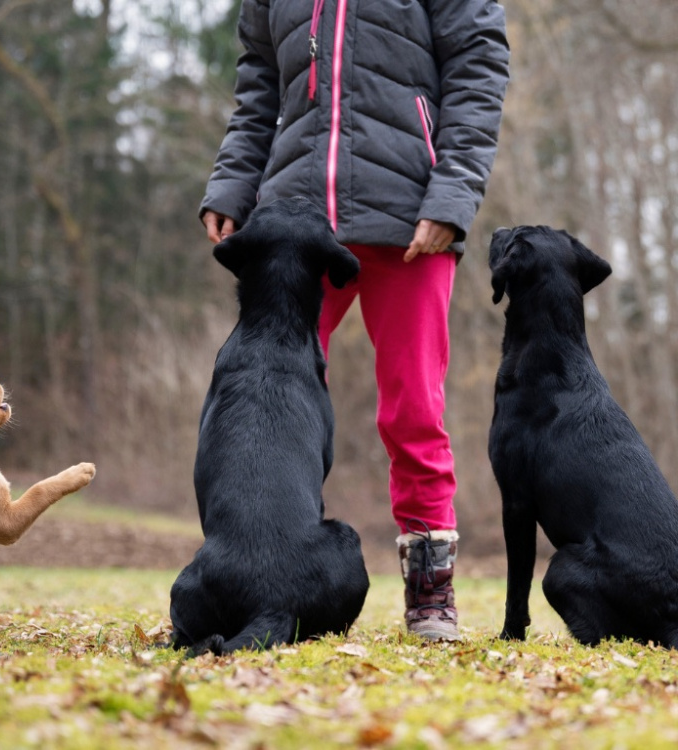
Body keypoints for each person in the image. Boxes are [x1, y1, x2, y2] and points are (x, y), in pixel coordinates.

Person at [199, 0, 510, 641]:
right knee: (263, 405)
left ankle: (431, 594)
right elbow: (260, 84)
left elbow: (479, 71)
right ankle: (259, 572)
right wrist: (233, 184)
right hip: (296, 226)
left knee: (413, 411)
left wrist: (452, 197)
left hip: (412, 222)